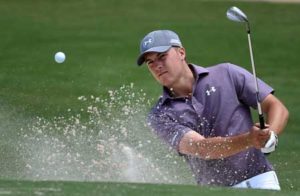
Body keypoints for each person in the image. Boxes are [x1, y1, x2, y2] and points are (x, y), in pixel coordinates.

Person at [136, 30, 289, 190]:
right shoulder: (160, 115)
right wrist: (250, 139)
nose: (157, 66)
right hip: (214, 191)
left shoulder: (226, 73)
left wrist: (270, 135)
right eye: (150, 62)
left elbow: (276, 107)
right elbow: (200, 148)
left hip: (261, 180)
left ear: (181, 52)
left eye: (162, 56)